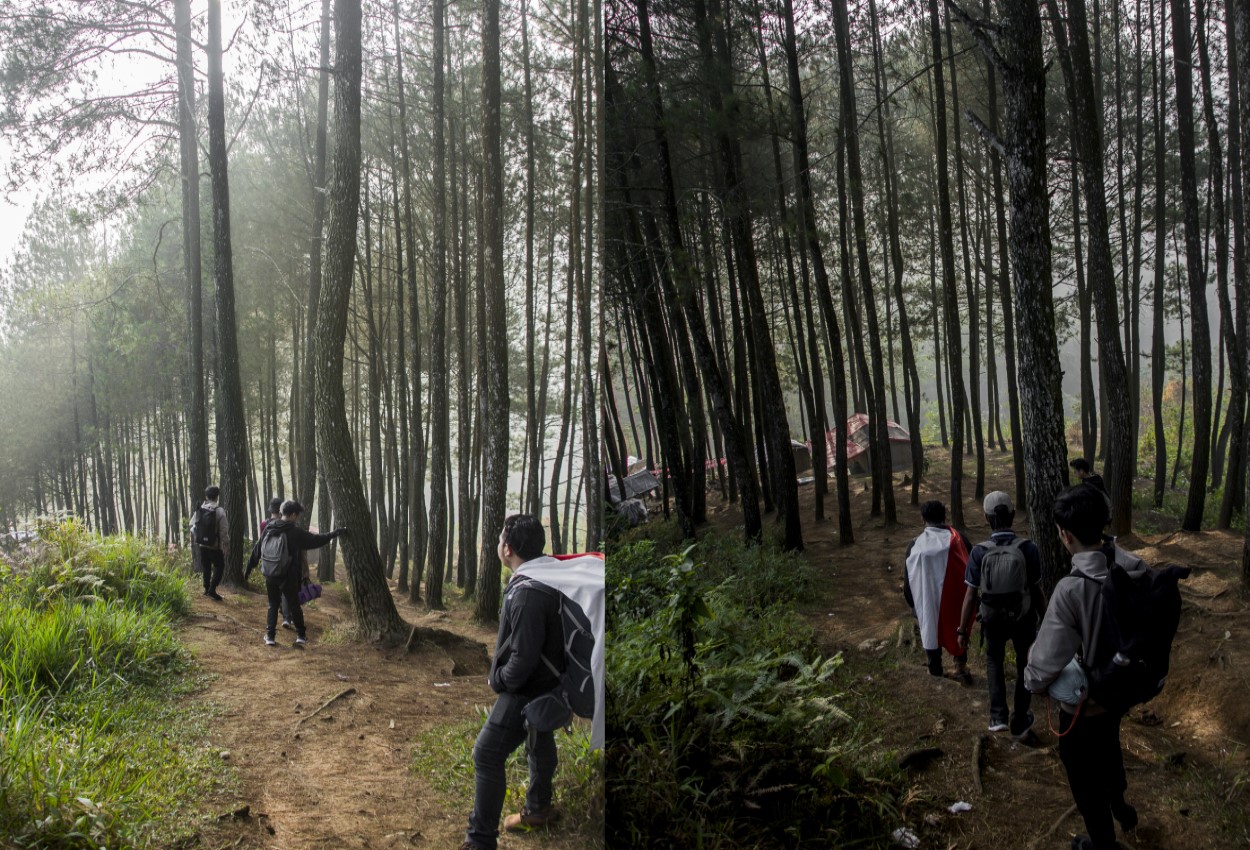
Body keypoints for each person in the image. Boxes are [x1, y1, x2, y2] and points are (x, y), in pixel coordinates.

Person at [1025, 485, 1147, 850]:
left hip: (1081, 708)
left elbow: (1043, 666)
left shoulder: (1070, 590)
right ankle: (1122, 807)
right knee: (1110, 747)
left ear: (1065, 535)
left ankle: (1102, 842)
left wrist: (1032, 681)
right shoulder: (1134, 569)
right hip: (1120, 691)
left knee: (1082, 776)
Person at [462, 514, 565, 850]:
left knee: (487, 754)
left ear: (506, 548)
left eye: (498, 539)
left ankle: (480, 841)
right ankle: (538, 808)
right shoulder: (544, 578)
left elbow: (523, 658)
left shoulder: (527, 593)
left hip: (527, 688)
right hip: (547, 684)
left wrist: (501, 681)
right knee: (539, 739)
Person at [957, 492, 1044, 743]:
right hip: (1023, 617)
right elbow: (1037, 591)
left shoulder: (979, 552)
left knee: (994, 662)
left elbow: (970, 595)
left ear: (986, 518)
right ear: (1013, 514)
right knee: (1023, 664)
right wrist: (1047, 620)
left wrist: (962, 630)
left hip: (992, 619)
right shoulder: (1028, 548)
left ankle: (997, 717)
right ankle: (1020, 719)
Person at [251, 500, 345, 648]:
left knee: (273, 604)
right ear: (293, 515)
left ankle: (270, 636)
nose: (299, 518)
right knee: (294, 605)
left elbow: (257, 549)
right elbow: (315, 540)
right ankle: (301, 636)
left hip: (270, 573)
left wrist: (249, 568)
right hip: (288, 575)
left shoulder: (269, 527)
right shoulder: (294, 531)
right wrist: (334, 534)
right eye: (298, 515)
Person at [903, 500, 973, 683]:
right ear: (944, 516)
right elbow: (972, 571)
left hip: (927, 601)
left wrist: (913, 603)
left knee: (930, 627)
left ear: (922, 519)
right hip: (957, 599)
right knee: (959, 627)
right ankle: (960, 666)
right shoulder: (960, 540)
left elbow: (909, 580)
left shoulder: (915, 546)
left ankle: (935, 668)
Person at [190, 485, 229, 601]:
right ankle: (212, 589)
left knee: (206, 567)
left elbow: (192, 525)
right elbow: (224, 530)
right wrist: (226, 544)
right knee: (219, 566)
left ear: (206, 496)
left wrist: (194, 540)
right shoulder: (219, 511)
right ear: (217, 497)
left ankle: (206, 589)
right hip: (215, 545)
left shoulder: (200, 509)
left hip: (202, 544)